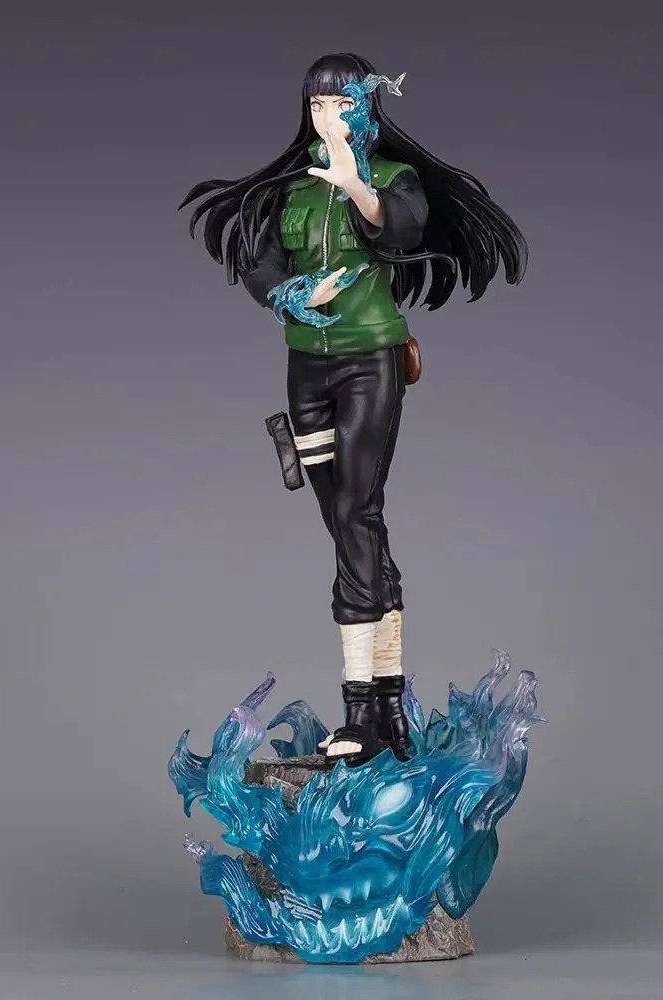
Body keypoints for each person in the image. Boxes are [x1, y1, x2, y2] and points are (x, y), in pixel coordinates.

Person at [179, 52, 527, 764]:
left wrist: (358, 188)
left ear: (366, 108)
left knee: (355, 515)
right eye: (316, 105)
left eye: (341, 105)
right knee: (348, 529)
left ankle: (361, 714)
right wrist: (290, 294)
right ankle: (390, 706)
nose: (327, 117)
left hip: (371, 360)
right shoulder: (290, 189)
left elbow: (403, 229)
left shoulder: (393, 178)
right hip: (305, 368)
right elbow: (259, 259)